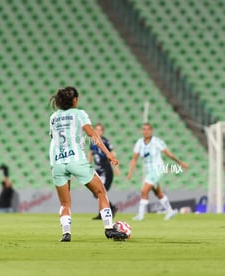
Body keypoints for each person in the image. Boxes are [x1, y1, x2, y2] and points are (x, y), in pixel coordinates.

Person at [49, 86, 127, 242]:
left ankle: (66, 233)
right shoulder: (79, 114)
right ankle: (109, 228)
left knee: (65, 202)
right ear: (75, 100)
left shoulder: (53, 117)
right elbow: (92, 134)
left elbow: (53, 139)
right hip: (76, 160)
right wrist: (108, 154)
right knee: (101, 192)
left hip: (57, 162)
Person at [127, 123, 189, 221]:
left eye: (148, 129)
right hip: (149, 171)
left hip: (158, 169)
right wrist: (130, 172)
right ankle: (170, 211)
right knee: (158, 193)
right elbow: (134, 158)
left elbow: (169, 154)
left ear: (151, 131)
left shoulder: (157, 142)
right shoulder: (139, 143)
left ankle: (140, 215)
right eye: (144, 129)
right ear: (142, 131)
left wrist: (180, 163)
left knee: (144, 190)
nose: (146, 131)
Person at [88, 123, 119, 220]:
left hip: (106, 170)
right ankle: (107, 210)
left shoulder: (105, 141)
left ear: (102, 131)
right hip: (98, 171)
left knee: (101, 191)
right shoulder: (93, 141)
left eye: (99, 130)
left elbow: (112, 153)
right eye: (96, 129)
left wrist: (116, 167)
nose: (97, 131)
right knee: (97, 192)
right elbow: (91, 154)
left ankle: (108, 210)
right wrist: (87, 165)